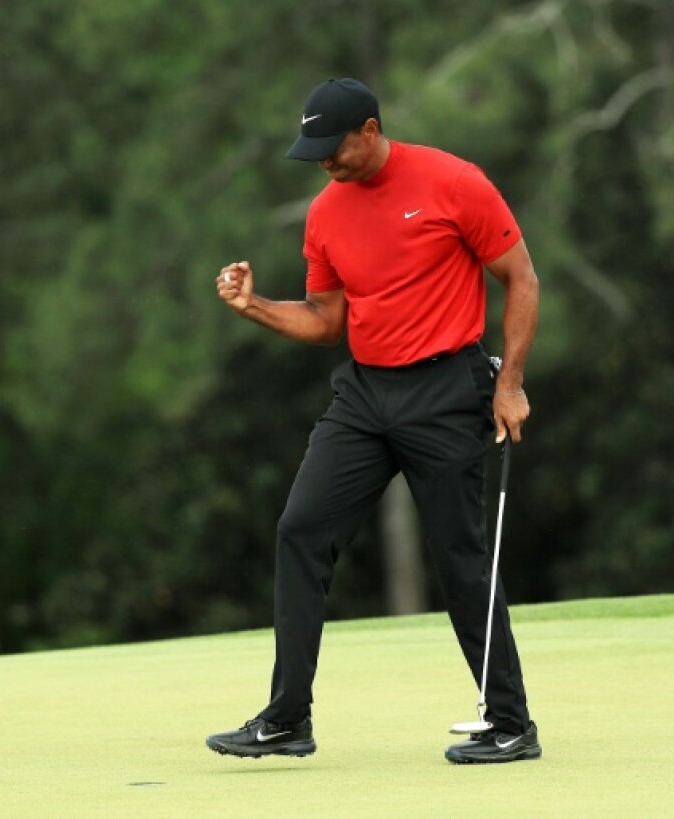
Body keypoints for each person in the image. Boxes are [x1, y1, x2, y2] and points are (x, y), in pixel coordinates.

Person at [206, 78, 540, 764]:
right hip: (364, 395)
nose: (324, 162)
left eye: (333, 148)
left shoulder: (453, 182)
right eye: (315, 152)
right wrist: (254, 307)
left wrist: (510, 384)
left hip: (447, 389)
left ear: (368, 129)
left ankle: (510, 721)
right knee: (301, 528)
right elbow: (327, 321)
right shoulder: (326, 214)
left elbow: (522, 279)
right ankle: (287, 717)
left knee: (459, 555)